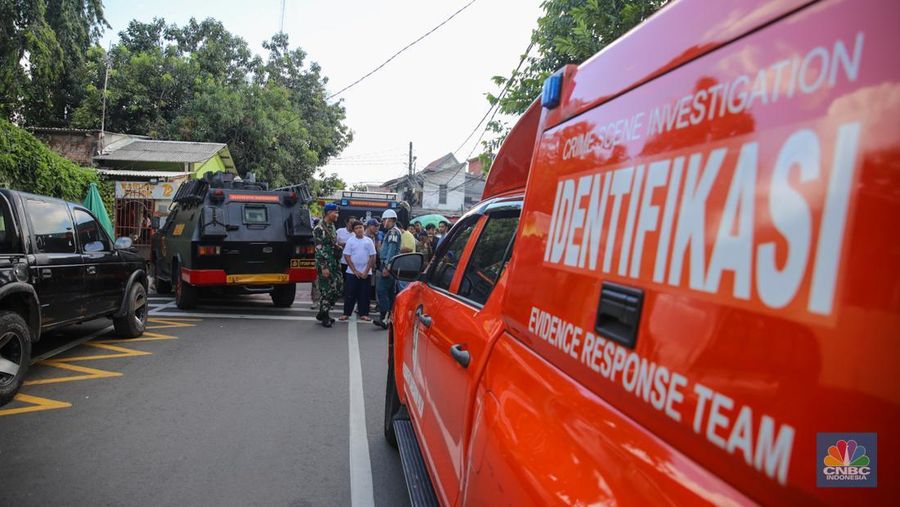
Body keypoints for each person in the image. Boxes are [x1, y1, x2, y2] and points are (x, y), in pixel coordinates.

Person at [313, 203, 342, 327]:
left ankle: (322, 312)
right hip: (324, 263)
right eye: (335, 212)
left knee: (339, 287)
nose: (337, 215)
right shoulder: (319, 228)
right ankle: (325, 316)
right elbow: (318, 249)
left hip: (334, 262)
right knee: (326, 290)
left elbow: (331, 242)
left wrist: (337, 247)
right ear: (328, 213)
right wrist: (324, 267)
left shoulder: (332, 226)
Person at [340, 220, 376, 322]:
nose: (359, 229)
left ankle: (364, 314)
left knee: (364, 294)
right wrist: (355, 270)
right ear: (353, 230)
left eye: (360, 227)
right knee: (350, 294)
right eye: (356, 228)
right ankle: (346, 313)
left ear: (364, 228)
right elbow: (347, 256)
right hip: (352, 273)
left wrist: (366, 271)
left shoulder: (369, 241)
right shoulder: (350, 241)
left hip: (366, 273)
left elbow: (373, 256)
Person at [375, 209, 402, 329]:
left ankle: (384, 317)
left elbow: (391, 250)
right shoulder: (393, 232)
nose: (383, 223)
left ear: (389, 219)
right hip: (392, 266)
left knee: (382, 290)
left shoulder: (393, 232)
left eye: (383, 220)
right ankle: (389, 318)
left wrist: (387, 266)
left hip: (389, 266)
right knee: (390, 293)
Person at [336, 215, 355, 295]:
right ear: (347, 223)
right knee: (340, 278)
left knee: (349, 280)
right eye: (351, 223)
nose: (352, 225)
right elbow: (333, 243)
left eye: (354, 223)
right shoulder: (340, 231)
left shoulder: (355, 233)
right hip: (341, 260)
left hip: (352, 262)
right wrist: (342, 244)